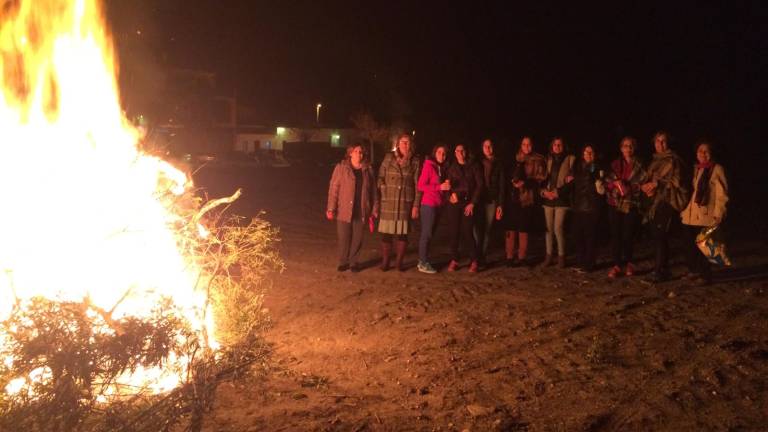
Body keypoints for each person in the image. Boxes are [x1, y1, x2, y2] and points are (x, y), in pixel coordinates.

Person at [640, 131, 688, 283]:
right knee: (657, 236)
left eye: (663, 141)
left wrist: (657, 184)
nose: (660, 144)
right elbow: (649, 179)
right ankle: (664, 269)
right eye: (657, 141)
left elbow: (678, 181)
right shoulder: (655, 161)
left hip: (667, 202)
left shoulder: (673, 160)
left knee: (660, 236)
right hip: (655, 202)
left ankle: (659, 271)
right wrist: (646, 188)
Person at [680, 141, 728, 286]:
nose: (703, 153)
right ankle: (694, 271)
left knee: (704, 246)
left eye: (706, 151)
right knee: (690, 245)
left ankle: (705, 276)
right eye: (700, 151)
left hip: (707, 214)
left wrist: (719, 213)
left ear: (711, 153)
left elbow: (722, 194)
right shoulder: (697, 169)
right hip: (692, 214)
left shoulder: (717, 169)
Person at [326, 144, 379, 272]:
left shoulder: (368, 170)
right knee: (344, 237)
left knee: (357, 238)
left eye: (361, 152)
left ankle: (354, 262)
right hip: (344, 209)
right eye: (356, 151)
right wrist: (331, 208)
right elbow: (334, 189)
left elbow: (373, 191)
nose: (358, 154)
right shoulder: (341, 168)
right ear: (350, 153)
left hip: (361, 209)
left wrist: (374, 208)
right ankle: (343, 261)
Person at [378, 133, 422, 271]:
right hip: (389, 201)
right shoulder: (388, 157)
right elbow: (380, 176)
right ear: (398, 143)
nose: (405, 145)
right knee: (387, 233)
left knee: (403, 233)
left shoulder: (415, 161)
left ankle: (399, 263)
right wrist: (383, 187)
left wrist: (415, 204)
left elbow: (418, 185)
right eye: (403, 142)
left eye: (408, 142)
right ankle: (385, 262)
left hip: (405, 202)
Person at [604, 137, 645, 278]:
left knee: (628, 234)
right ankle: (616, 264)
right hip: (614, 203)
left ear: (634, 148)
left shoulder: (639, 165)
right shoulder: (615, 164)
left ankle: (629, 263)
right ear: (621, 148)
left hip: (631, 203)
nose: (628, 148)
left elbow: (643, 183)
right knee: (616, 234)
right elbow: (607, 181)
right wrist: (616, 184)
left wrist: (629, 187)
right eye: (625, 146)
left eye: (631, 146)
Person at [503, 136, 546, 266]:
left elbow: (541, 178)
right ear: (520, 146)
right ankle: (509, 256)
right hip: (513, 197)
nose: (526, 147)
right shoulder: (515, 158)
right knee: (510, 227)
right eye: (524, 144)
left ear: (532, 146)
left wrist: (525, 183)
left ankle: (522, 257)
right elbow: (507, 175)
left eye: (529, 144)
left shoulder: (538, 159)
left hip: (527, 197)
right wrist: (512, 182)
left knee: (523, 227)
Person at [445, 144, 484, 272]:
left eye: (462, 150)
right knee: (453, 232)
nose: (459, 153)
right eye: (457, 150)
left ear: (466, 152)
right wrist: (450, 196)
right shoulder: (452, 167)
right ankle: (454, 259)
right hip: (455, 204)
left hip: (468, 203)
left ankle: (473, 260)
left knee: (468, 232)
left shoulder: (474, 166)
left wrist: (473, 203)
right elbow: (447, 185)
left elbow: (480, 185)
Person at [540, 137, 575, 268]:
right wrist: (544, 192)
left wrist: (558, 192)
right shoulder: (547, 159)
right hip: (548, 199)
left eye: (559, 144)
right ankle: (548, 256)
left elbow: (572, 181)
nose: (557, 146)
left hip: (562, 199)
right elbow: (542, 179)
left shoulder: (570, 159)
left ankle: (561, 257)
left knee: (558, 228)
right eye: (555, 144)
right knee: (548, 229)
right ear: (551, 146)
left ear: (564, 146)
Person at [416, 144, 451, 274]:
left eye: (444, 153)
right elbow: (421, 186)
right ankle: (422, 262)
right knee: (426, 233)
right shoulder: (429, 166)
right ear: (434, 153)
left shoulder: (442, 168)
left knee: (430, 234)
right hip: (428, 205)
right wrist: (439, 187)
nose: (442, 155)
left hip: (438, 205)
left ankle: (424, 260)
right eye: (439, 152)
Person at [570, 144, 605, 273]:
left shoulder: (597, 167)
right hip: (579, 205)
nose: (588, 154)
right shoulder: (578, 167)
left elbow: (600, 187)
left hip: (592, 206)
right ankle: (581, 261)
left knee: (590, 236)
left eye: (591, 152)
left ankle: (589, 264)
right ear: (582, 154)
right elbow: (574, 184)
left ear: (594, 155)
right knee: (577, 235)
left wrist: (600, 185)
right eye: (586, 152)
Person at [476, 139, 505, 266]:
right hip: (478, 199)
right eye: (485, 146)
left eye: (490, 146)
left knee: (487, 229)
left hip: (491, 199)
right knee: (476, 229)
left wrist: (500, 204)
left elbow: (502, 185)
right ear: (482, 148)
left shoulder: (499, 163)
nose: (488, 148)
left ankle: (482, 256)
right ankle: (476, 255)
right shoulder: (478, 162)